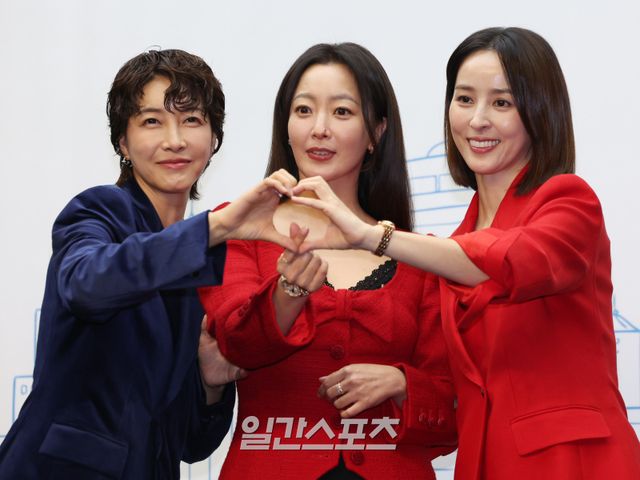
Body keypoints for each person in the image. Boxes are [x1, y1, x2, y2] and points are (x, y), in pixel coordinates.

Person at [292, 28, 640, 479]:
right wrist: (402, 381)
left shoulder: (569, 201)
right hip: (484, 464)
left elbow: (510, 261)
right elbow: (450, 386)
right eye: (464, 99)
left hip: (572, 463)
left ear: (540, 112)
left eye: (502, 103)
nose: (477, 120)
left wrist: (371, 236)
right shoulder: (451, 244)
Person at [0, 49, 296, 480]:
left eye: (191, 120)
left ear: (214, 139)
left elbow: (192, 445)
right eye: (152, 121)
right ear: (122, 141)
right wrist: (217, 226)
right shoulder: (100, 211)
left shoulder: (201, 259)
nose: (175, 140)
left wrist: (210, 383)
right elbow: (86, 283)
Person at [198, 42, 456, 479]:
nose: (319, 129)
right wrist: (288, 293)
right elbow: (236, 346)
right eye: (304, 110)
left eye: (342, 112)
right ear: (285, 127)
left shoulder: (419, 256)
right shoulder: (239, 230)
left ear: (376, 133)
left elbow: (453, 411)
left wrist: (402, 383)